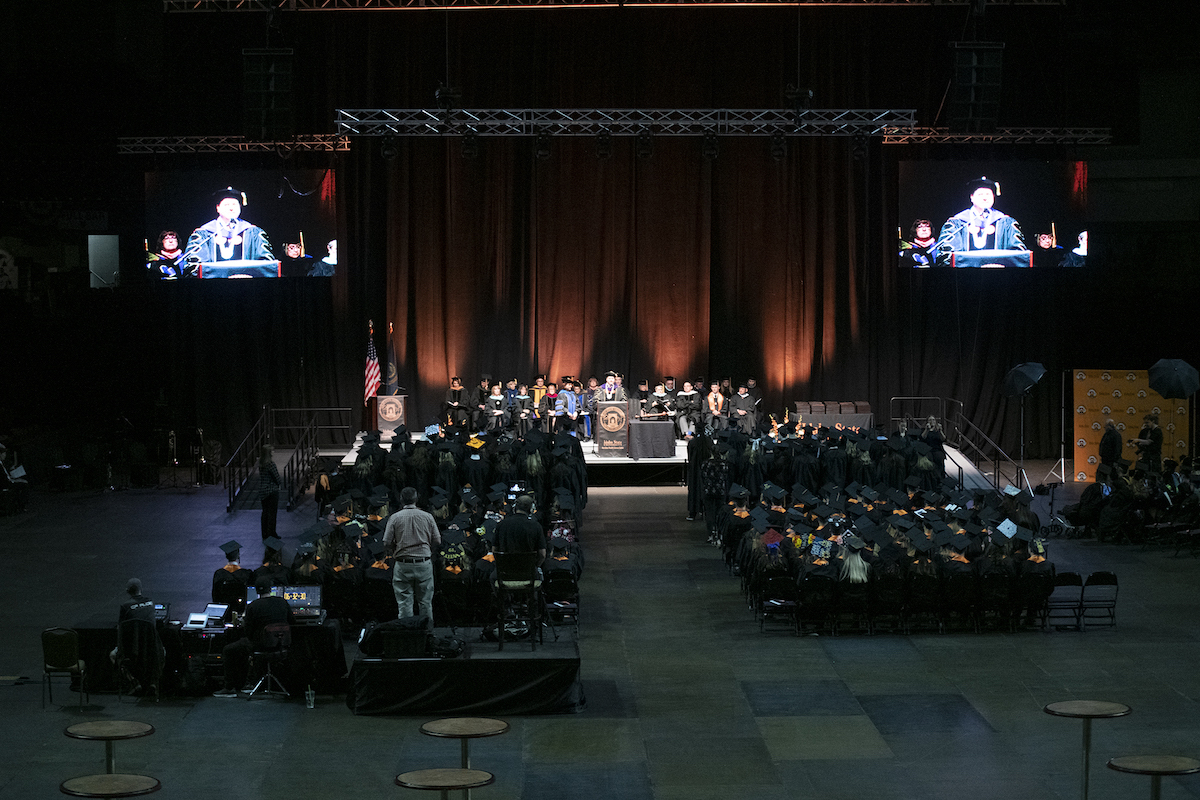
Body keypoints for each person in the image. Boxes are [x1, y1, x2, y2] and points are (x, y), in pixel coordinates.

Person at [215, 579, 295, 697]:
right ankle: (251, 681)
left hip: (260, 645)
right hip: (280, 645)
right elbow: (292, 621)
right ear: (271, 589)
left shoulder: (253, 605)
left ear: (257, 591)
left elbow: (248, 631)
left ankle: (231, 687)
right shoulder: (283, 602)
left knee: (229, 649)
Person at [181, 187, 275, 276]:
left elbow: (266, 264)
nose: (231, 208)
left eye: (234, 204)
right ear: (218, 208)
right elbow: (194, 266)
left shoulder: (253, 232)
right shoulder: (204, 234)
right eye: (226, 205)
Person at [935, 177, 1026, 267]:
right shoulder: (957, 223)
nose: (985, 198)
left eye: (988, 194)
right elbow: (948, 256)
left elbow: (1018, 254)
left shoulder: (1006, 223)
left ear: (994, 197)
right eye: (980, 194)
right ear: (972, 198)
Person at [382, 486, 442, 621]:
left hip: (403, 564)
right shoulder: (428, 516)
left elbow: (386, 542)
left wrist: (395, 548)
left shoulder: (394, 518)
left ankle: (407, 638)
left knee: (404, 604)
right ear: (416, 499)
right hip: (423, 563)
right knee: (425, 603)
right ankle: (427, 636)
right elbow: (437, 540)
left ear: (401, 499)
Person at [495, 494, 546, 566]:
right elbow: (542, 555)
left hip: (505, 570)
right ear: (531, 509)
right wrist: (535, 566)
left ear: (515, 507)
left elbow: (495, 550)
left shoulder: (501, 524)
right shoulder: (536, 526)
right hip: (529, 571)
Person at [259, 446, 281, 541]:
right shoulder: (271, 464)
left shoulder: (261, 464)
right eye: (272, 450)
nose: (273, 451)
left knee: (265, 513)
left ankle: (264, 533)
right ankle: (272, 533)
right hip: (272, 491)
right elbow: (277, 478)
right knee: (272, 513)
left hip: (263, 491)